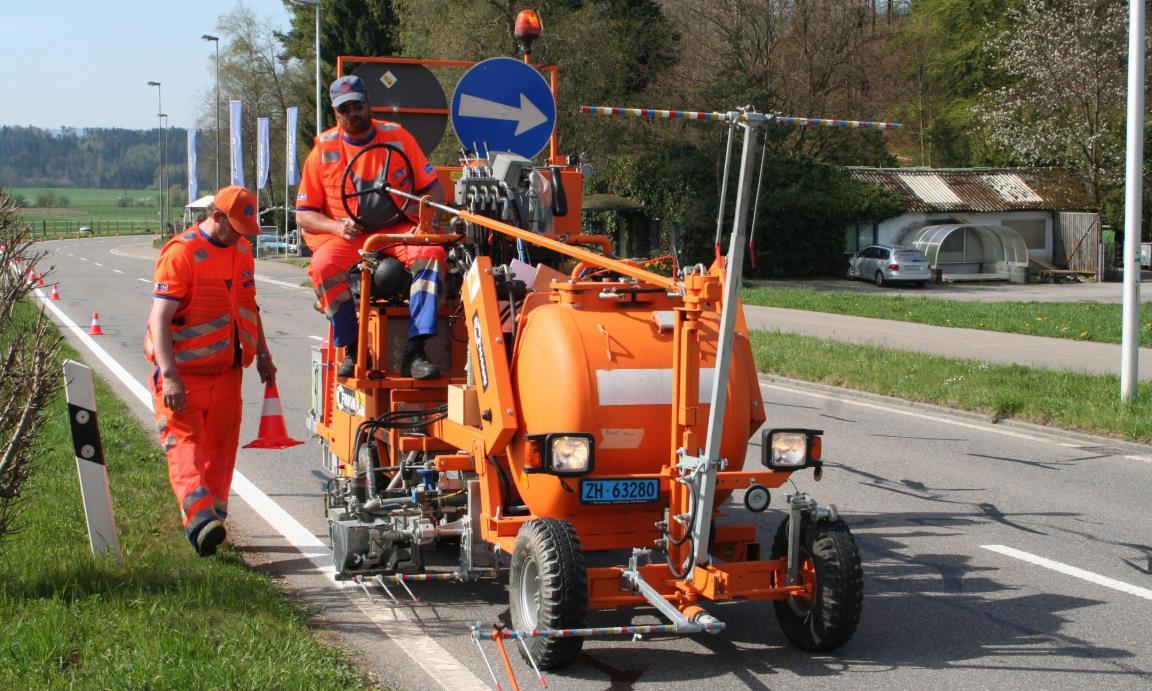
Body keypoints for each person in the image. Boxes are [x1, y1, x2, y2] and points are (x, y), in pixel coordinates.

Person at [145, 185, 277, 557]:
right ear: (215, 216)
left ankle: (215, 518)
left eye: (244, 230)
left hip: (227, 372)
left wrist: (263, 354)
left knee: (220, 449)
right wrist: (169, 375)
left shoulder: (241, 251)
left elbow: (249, 306)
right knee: (184, 446)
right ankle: (200, 520)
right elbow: (160, 318)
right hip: (183, 374)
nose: (239, 236)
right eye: (234, 227)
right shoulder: (181, 254)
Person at [296, 74, 446, 380]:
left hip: (397, 230)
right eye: (345, 108)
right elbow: (304, 214)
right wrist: (336, 227)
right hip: (349, 236)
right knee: (323, 267)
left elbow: (433, 188)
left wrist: (424, 222)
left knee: (432, 253)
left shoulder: (398, 137)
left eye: (358, 105)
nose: (353, 113)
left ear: (369, 105)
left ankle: (415, 352)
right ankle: (353, 348)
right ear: (336, 114)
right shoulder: (322, 151)